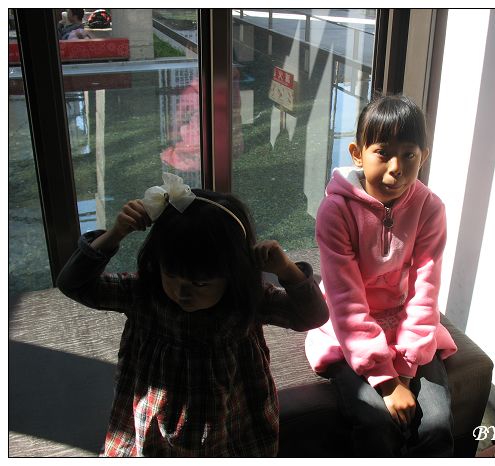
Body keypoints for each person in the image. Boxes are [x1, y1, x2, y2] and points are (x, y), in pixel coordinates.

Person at [57, 172, 329, 457]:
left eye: (200, 284)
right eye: (171, 275)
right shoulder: (144, 293)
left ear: (232, 273)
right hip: (154, 429)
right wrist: (115, 233)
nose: (182, 292)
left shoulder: (245, 301)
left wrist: (288, 270)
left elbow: (312, 317)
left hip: (232, 426)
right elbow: (74, 285)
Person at [305, 95, 458, 457]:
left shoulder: (430, 208)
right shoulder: (336, 211)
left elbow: (425, 289)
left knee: (437, 425)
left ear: (424, 157)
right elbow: (346, 300)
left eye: (409, 155)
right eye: (383, 153)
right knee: (378, 424)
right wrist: (386, 382)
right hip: (349, 335)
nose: (396, 169)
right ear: (357, 153)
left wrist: (405, 369)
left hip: (409, 328)